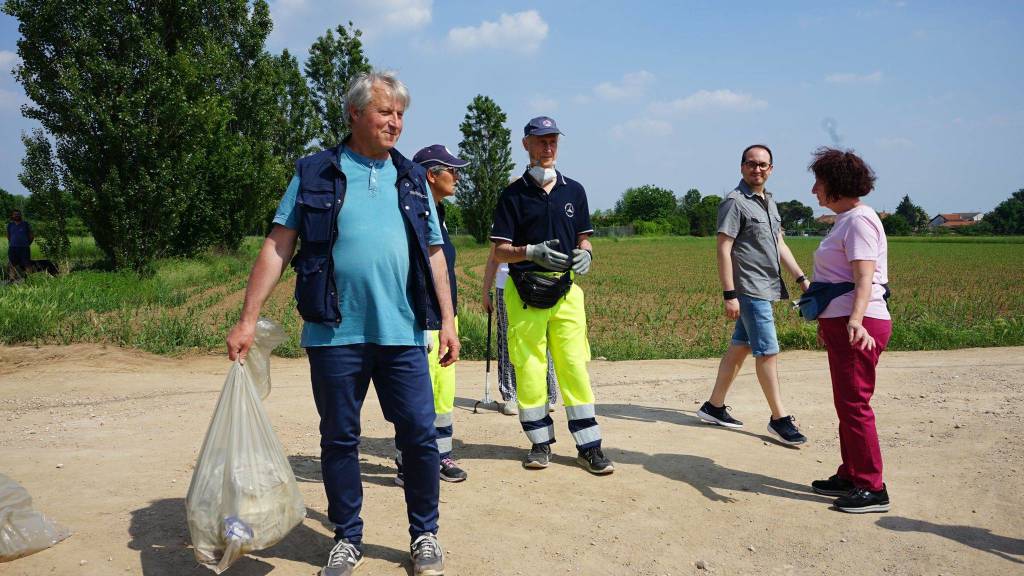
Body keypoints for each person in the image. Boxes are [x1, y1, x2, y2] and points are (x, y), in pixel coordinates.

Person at [226, 71, 457, 576]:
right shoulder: (315, 173)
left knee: (419, 434)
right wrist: (248, 319)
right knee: (339, 438)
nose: (395, 122)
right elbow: (277, 246)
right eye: (384, 112)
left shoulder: (413, 178)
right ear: (355, 114)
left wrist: (448, 318)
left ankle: (425, 536)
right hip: (334, 332)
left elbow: (435, 252)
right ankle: (348, 537)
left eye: (400, 114)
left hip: (401, 333)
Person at [489, 116, 614, 475]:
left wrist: (587, 252)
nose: (548, 148)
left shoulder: (574, 190)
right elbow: (499, 250)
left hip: (566, 290)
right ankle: (539, 443)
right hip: (524, 291)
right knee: (530, 368)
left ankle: (589, 447)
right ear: (526, 144)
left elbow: (584, 237)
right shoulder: (512, 195)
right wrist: (529, 252)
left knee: (574, 366)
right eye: (541, 141)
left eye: (553, 141)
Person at [696, 144, 811, 445]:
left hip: (766, 286)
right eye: (751, 164)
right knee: (768, 352)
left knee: (741, 346)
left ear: (771, 169)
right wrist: (729, 293)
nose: (756, 169)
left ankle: (714, 406)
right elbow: (723, 248)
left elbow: (780, 244)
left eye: (762, 164)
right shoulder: (734, 202)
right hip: (749, 289)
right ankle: (779, 418)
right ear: (742, 167)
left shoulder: (769, 202)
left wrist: (801, 278)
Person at [805, 148, 892, 513]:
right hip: (842, 322)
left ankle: (872, 487)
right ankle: (851, 473)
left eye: (819, 183)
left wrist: (855, 321)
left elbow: (864, 276)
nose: (814, 190)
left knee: (855, 404)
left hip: (858, 324)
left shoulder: (858, 221)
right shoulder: (846, 219)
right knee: (847, 402)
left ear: (835, 185)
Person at [388, 143, 470, 485]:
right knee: (415, 394)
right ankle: (408, 460)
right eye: (451, 170)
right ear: (429, 175)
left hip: (442, 320)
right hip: (418, 319)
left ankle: (441, 455)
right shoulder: (410, 216)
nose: (457, 176)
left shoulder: (440, 216)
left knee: (441, 392)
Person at [482, 247, 559, 416]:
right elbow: (494, 256)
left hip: (540, 282)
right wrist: (486, 290)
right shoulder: (503, 221)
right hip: (507, 285)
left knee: (542, 339)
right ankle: (511, 396)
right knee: (509, 339)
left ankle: (548, 395)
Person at [6, 210, 33, 276]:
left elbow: (31, 236)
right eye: (15, 214)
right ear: (12, 216)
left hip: (24, 248)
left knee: (27, 264)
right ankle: (12, 279)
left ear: (20, 215)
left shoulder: (25, 224)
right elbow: (9, 236)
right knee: (12, 264)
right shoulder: (10, 225)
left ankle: (29, 279)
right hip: (13, 248)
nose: (17, 215)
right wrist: (12, 243)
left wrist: (27, 244)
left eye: (18, 214)